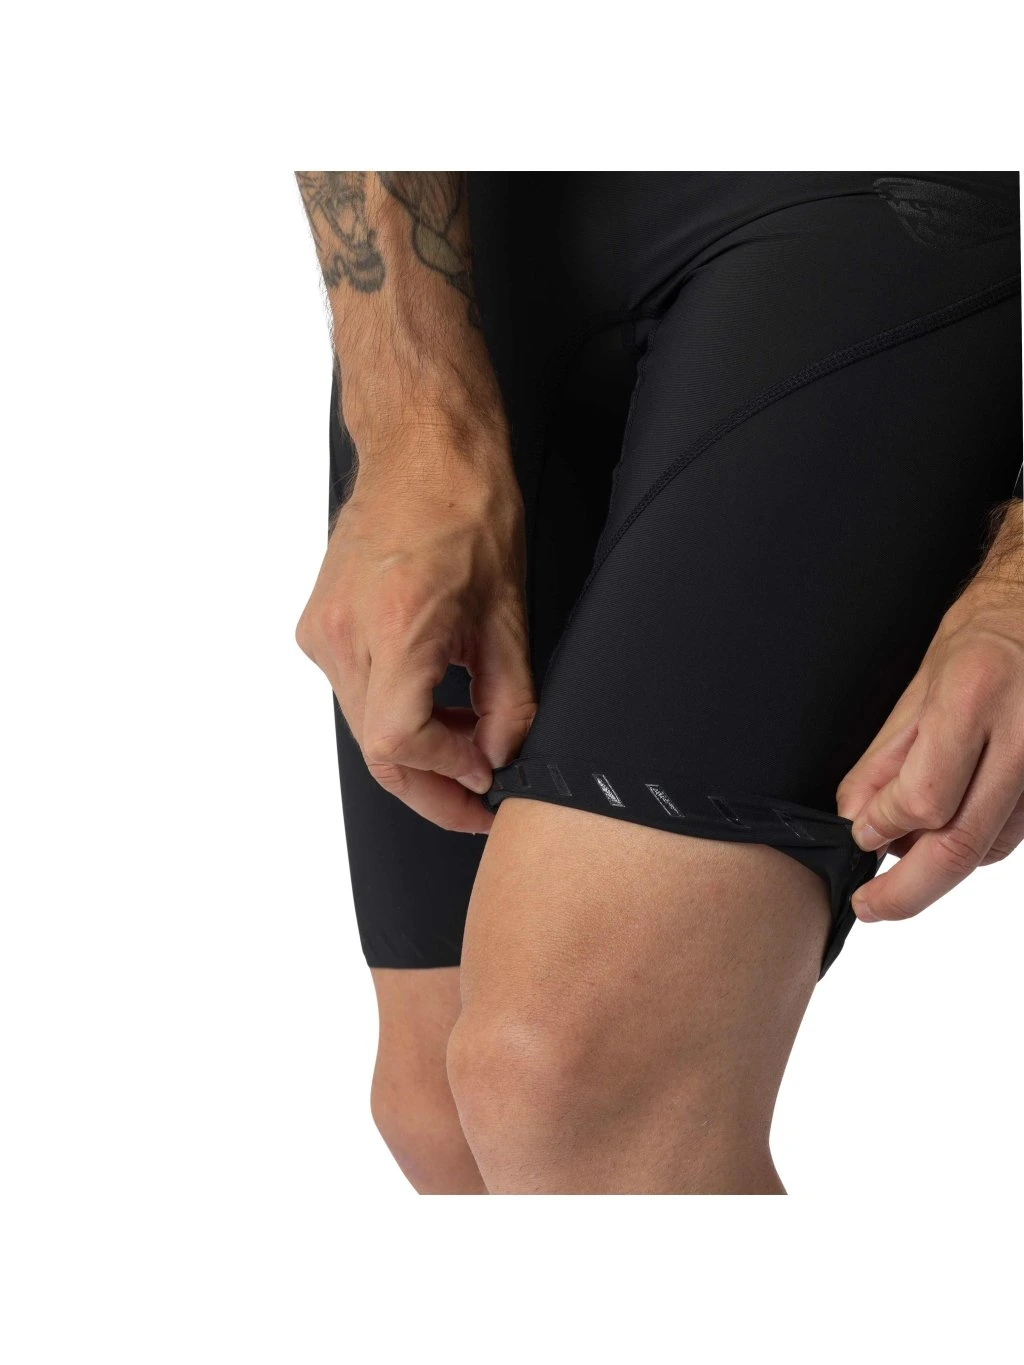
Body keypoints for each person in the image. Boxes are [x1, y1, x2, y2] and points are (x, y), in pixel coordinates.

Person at [294, 172, 1023, 1195]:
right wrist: (414, 423)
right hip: (469, 222)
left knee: (571, 1077)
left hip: (883, 196)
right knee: (436, 1113)